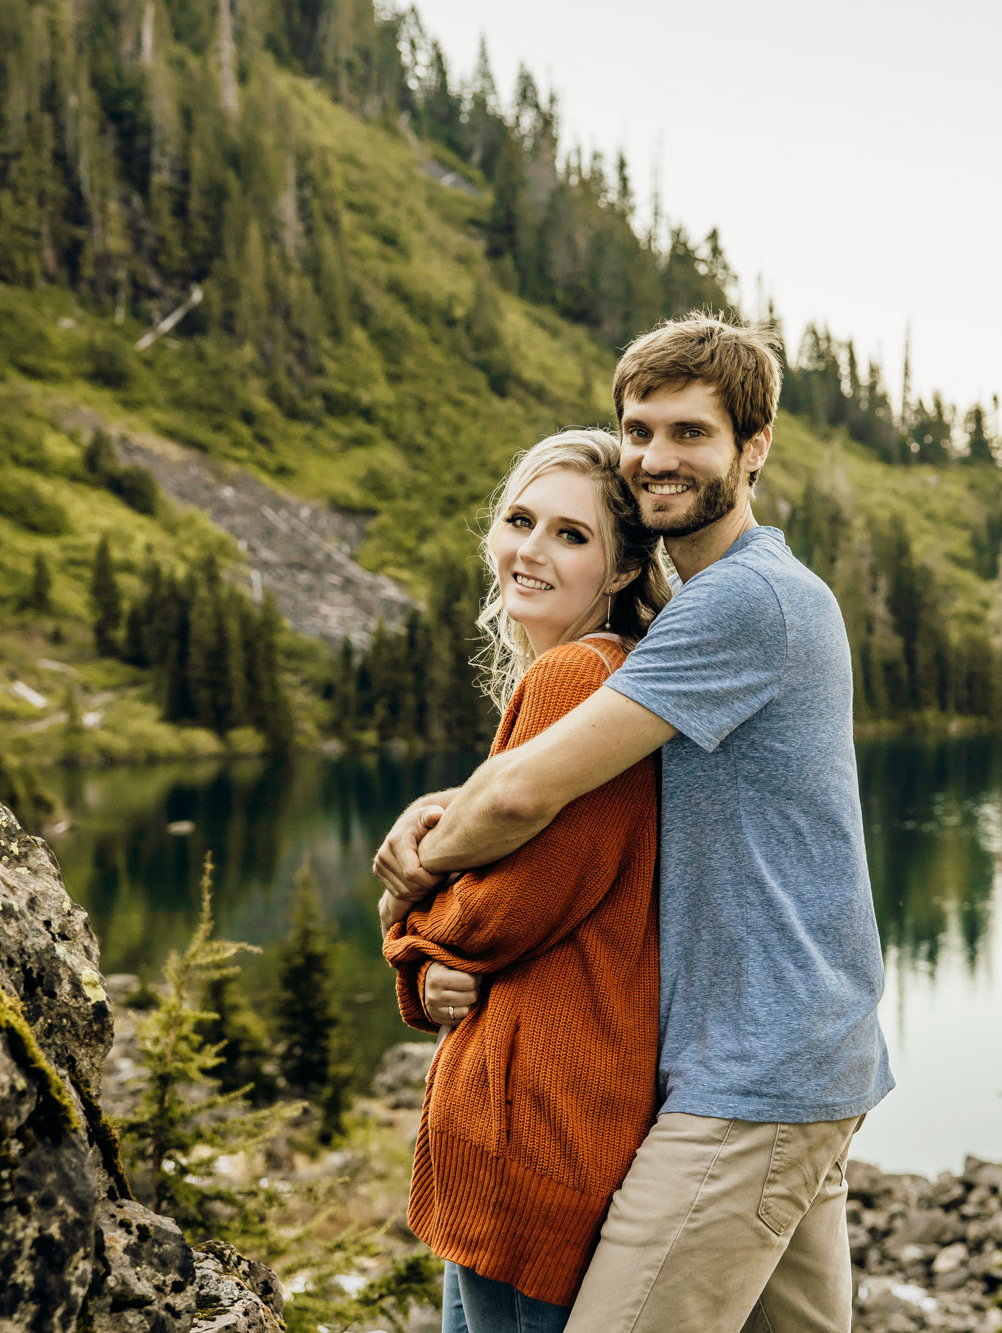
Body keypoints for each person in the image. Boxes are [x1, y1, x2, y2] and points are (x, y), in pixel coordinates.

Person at [374, 314, 894, 1332]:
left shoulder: (742, 603)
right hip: (793, 1059)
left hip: (749, 1078)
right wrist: (448, 811)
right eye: (639, 429)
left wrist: (407, 882)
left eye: (689, 433)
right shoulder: (707, 609)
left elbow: (525, 798)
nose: (657, 456)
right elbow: (533, 790)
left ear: (753, 447)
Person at [380, 428, 671, 1333]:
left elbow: (509, 910)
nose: (531, 550)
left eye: (571, 535)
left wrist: (402, 923)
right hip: (527, 1121)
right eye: (520, 520)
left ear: (622, 571)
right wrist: (426, 967)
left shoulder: (586, 678)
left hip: (539, 1127)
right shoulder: (587, 677)